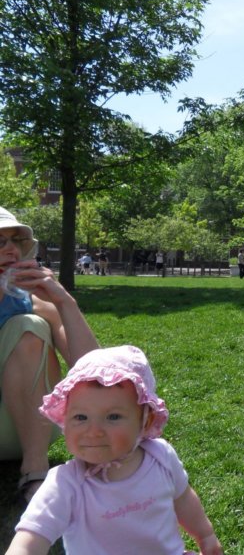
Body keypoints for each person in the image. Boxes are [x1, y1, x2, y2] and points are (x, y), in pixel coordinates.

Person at [7, 345, 223, 555]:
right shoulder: (66, 484)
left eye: (113, 417)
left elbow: (183, 498)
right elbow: (31, 536)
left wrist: (205, 535)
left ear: (145, 422)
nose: (94, 431)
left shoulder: (161, 457)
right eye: (80, 417)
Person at [0, 207, 99, 503]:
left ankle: (35, 469)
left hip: (24, 428)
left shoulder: (32, 303)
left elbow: (96, 373)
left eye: (14, 240)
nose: (10, 249)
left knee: (28, 325)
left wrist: (63, 301)